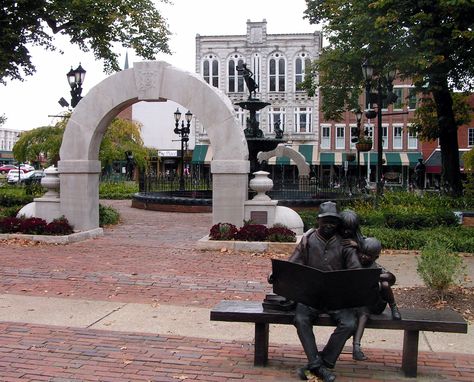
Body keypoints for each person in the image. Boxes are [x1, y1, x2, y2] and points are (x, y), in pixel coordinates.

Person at [287, 201, 362, 381]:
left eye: (333, 222)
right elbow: (291, 265)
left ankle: (319, 364)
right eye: (325, 221)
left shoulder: (344, 244)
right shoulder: (308, 241)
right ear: (317, 221)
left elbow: (357, 271)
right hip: (311, 296)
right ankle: (318, 366)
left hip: (336, 297)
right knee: (301, 319)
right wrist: (275, 274)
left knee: (349, 323)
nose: (329, 225)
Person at [338, 210, 401, 361]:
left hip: (372, 302)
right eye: (363, 253)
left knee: (382, 288)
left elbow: (391, 278)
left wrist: (374, 276)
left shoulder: (371, 260)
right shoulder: (352, 256)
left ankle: (394, 307)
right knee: (360, 314)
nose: (364, 257)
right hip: (356, 300)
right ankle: (355, 347)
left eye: (369, 255)